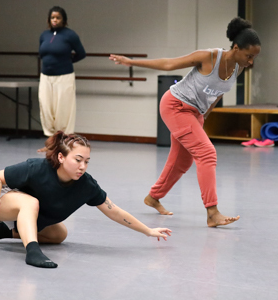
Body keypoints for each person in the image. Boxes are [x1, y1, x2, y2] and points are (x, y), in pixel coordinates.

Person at [109, 17, 261, 227]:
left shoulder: (238, 67)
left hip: (195, 113)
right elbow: (169, 63)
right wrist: (131, 62)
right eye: (249, 56)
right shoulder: (209, 57)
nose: (251, 61)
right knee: (207, 154)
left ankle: (153, 197)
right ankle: (212, 212)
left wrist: (203, 116)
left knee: (182, 161)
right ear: (236, 48)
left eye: (254, 57)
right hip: (175, 106)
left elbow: (217, 93)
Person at [0, 131, 171, 268]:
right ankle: (32, 252)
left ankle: (6, 231)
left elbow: (114, 210)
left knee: (59, 235)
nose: (82, 166)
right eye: (78, 160)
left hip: (22, 208)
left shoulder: (86, 185)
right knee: (31, 203)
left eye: (86, 161)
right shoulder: (37, 168)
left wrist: (148, 230)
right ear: (61, 157)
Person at [38, 6, 86, 136]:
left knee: (62, 109)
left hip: (64, 77)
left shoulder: (70, 35)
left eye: (58, 18)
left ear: (63, 20)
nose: (55, 20)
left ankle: (63, 140)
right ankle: (50, 140)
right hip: (46, 77)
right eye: (52, 17)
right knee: (46, 108)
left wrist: (66, 62)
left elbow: (81, 53)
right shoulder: (44, 35)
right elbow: (42, 54)